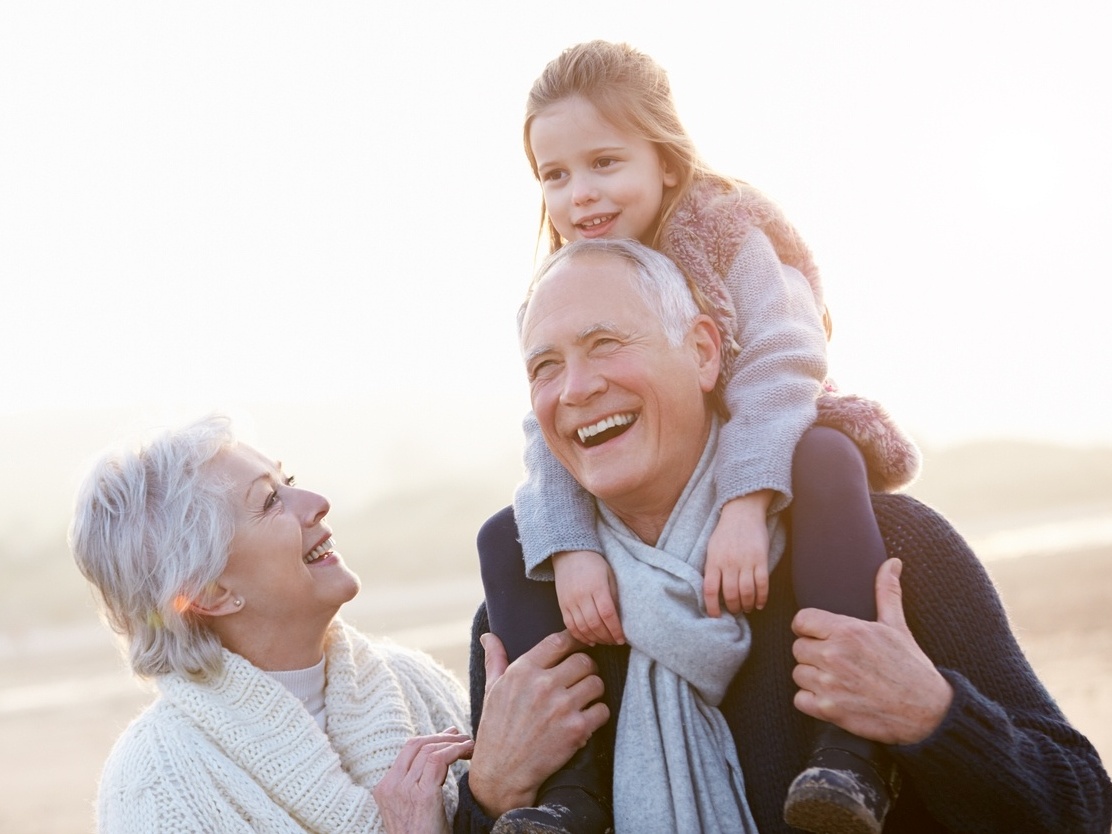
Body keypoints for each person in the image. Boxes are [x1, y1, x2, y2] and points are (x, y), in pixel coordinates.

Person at [456, 238, 1112, 833]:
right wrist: (487, 797)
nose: (576, 387)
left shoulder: (888, 549)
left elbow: (1083, 806)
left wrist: (932, 717)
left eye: (606, 344)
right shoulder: (529, 612)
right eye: (544, 365)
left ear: (705, 352)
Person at [481, 39, 919, 834]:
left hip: (770, 436)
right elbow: (549, 428)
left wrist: (746, 503)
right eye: (554, 175)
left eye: (605, 162)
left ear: (666, 160)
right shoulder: (562, 282)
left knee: (826, 455)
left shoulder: (726, 229)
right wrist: (572, 546)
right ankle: (568, 792)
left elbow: (785, 360)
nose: (580, 194)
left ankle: (854, 750)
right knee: (507, 537)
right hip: (648, 495)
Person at [70, 415, 479, 833]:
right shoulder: (154, 786)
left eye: (290, 481)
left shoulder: (416, 682)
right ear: (210, 593)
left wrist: (501, 790)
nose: (317, 501)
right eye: (269, 501)